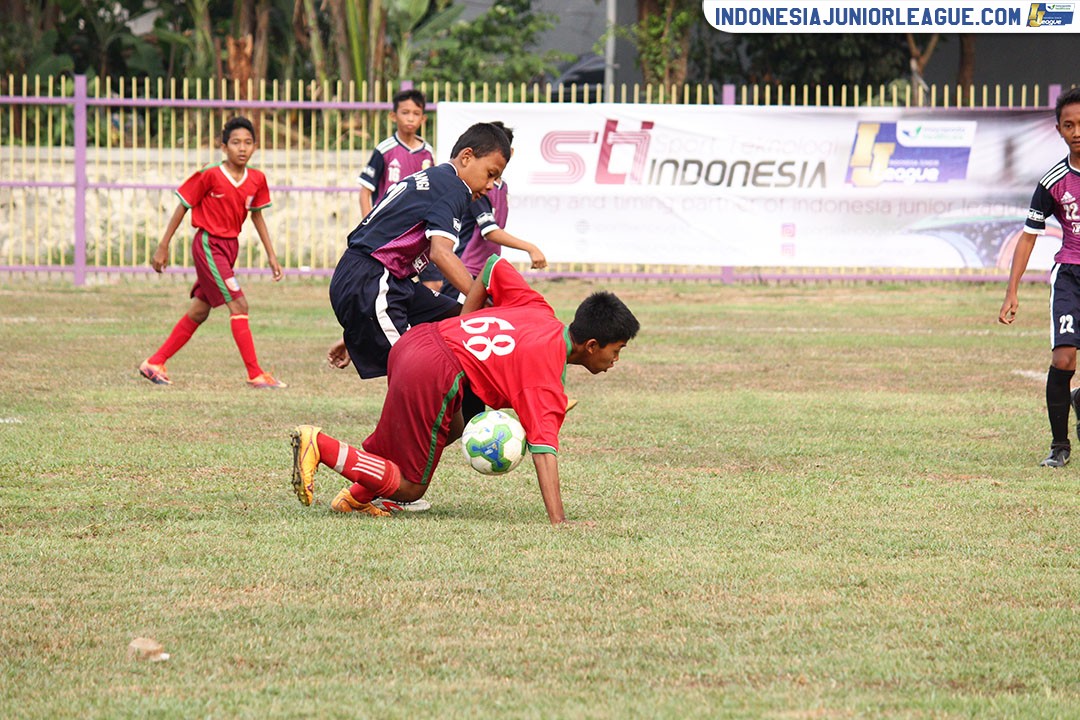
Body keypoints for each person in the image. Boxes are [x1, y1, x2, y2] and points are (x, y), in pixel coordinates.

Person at [290, 254, 640, 523]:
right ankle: (319, 444)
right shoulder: (544, 377)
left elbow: (493, 267)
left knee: (452, 427)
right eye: (617, 349)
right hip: (435, 371)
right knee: (412, 486)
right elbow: (544, 450)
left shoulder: (539, 309)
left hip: (420, 340)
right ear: (592, 345)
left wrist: (463, 323)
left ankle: (355, 496)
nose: (617, 359)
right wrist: (559, 521)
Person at [326, 122, 510, 381]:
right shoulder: (454, 187)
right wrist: (479, 294)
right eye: (491, 174)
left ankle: (474, 420)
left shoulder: (436, 178)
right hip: (371, 280)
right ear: (467, 157)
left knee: (465, 323)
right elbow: (441, 254)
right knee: (423, 373)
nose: (492, 185)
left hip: (384, 282)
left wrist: (359, 330)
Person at [139, 116, 286, 389]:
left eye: (248, 143)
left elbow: (256, 217)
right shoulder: (210, 174)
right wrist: (163, 245)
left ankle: (154, 362)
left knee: (199, 311)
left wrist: (272, 255)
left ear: (255, 146)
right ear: (224, 147)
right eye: (235, 143)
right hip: (209, 244)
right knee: (239, 305)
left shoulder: (257, 179)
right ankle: (255, 373)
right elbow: (183, 205)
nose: (242, 148)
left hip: (230, 248)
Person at [999, 86, 1080, 466]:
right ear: (1059, 130)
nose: (1077, 130)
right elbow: (1028, 236)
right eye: (1069, 124)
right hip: (1069, 276)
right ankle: (1059, 447)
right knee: (1064, 360)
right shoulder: (1052, 182)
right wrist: (1012, 290)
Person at [436, 121, 547, 299]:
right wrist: (530, 248)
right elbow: (490, 232)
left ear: (510, 153)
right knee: (453, 323)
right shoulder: (477, 187)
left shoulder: (502, 187)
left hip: (485, 272)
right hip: (465, 270)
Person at [358, 89, 437, 289]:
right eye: (405, 112)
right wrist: (369, 226)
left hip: (419, 229)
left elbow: (433, 190)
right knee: (393, 282)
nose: (410, 118)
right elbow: (365, 191)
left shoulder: (427, 153)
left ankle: (418, 320)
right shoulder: (384, 150)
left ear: (423, 119)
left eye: (416, 113)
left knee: (433, 282)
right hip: (389, 229)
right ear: (394, 116)